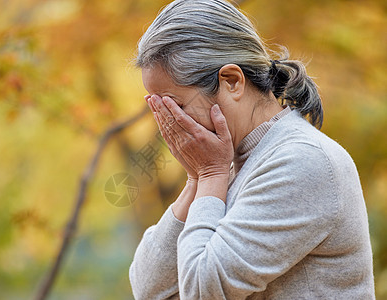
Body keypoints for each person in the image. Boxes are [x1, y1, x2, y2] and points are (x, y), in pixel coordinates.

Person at [128, 0, 375, 299]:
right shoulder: (226, 164)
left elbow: (202, 291)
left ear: (232, 81)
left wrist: (209, 174)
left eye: (176, 106)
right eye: (160, 110)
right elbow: (148, 289)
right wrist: (196, 180)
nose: (169, 124)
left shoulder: (302, 161)